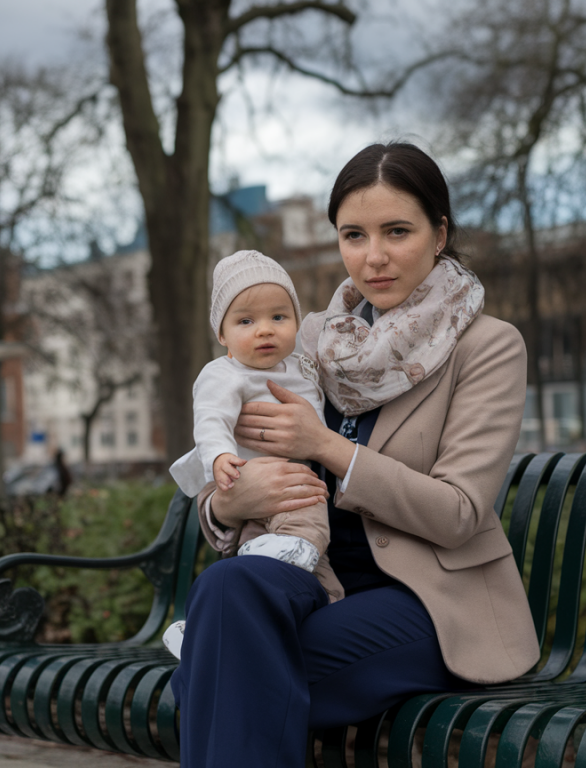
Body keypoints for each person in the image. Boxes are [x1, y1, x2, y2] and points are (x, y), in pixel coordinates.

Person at [170, 142, 539, 768]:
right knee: (228, 592)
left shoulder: (488, 347)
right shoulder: (308, 343)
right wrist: (231, 502)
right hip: (315, 582)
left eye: (397, 231)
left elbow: (458, 513)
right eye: (354, 235)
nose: (374, 257)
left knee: (221, 670)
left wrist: (327, 448)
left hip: (429, 601)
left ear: (439, 233)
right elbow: (231, 470)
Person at [166, 250, 344, 635]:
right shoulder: (224, 374)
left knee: (318, 577)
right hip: (246, 480)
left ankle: (204, 636)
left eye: (278, 317)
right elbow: (211, 419)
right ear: (222, 334)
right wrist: (220, 458)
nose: (264, 329)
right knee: (308, 521)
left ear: (296, 322)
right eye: (246, 321)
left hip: (288, 488)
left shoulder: (303, 368)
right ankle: (210, 632)